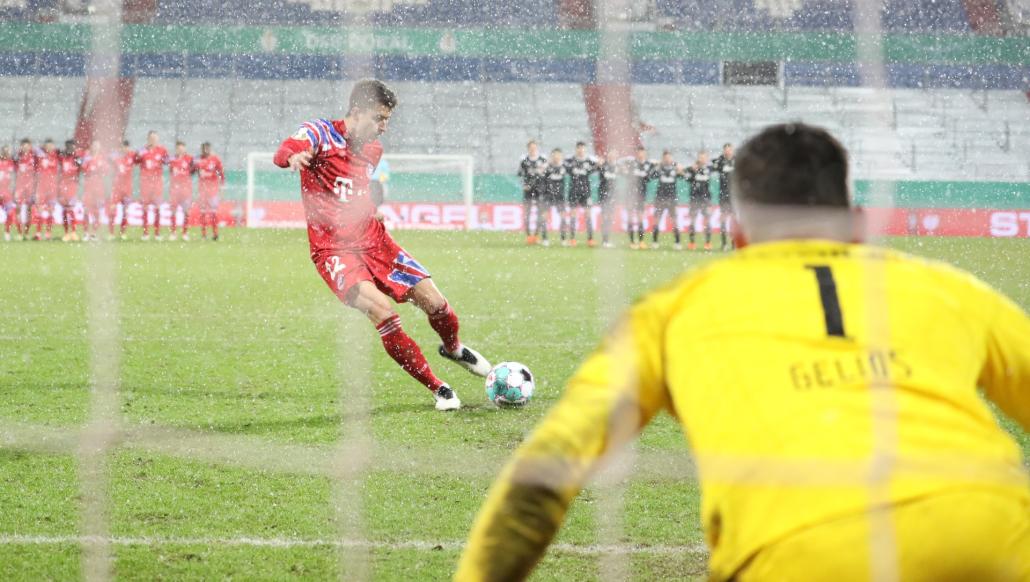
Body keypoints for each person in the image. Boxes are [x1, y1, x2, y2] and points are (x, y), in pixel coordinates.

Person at [456, 123, 1030, 581]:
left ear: (736, 234)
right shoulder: (949, 289)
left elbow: (548, 468)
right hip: (996, 539)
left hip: (803, 556)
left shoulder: (673, 311)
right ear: (857, 227)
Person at [273, 79, 491, 411]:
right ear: (357, 111)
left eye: (387, 120)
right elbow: (285, 150)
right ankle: (439, 388)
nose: (384, 128)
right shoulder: (319, 133)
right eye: (380, 119)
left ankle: (454, 348)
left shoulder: (373, 151)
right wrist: (292, 158)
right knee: (384, 314)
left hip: (375, 241)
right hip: (335, 252)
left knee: (435, 302)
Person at [563, 142, 597, 247]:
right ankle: (572, 239)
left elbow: (598, 167)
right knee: (573, 215)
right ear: (576, 149)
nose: (581, 150)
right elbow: (563, 165)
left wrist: (599, 164)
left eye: (583, 148)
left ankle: (590, 239)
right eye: (579, 148)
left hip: (585, 192)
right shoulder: (570, 161)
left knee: (588, 215)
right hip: (573, 191)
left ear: (585, 150)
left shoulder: (589, 161)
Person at [138, 130, 168, 240]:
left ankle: (157, 233)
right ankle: (145, 233)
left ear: (157, 139)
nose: (153, 140)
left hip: (157, 185)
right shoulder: (142, 151)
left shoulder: (162, 151)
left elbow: (168, 162)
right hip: (145, 185)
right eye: (151, 138)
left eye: (155, 138)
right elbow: (135, 160)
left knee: (157, 208)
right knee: (145, 208)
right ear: (148, 139)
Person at [651, 150, 683, 250]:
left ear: (671, 158)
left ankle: (677, 242)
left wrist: (680, 170)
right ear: (663, 158)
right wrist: (656, 167)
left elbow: (683, 175)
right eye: (665, 158)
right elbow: (652, 176)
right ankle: (655, 242)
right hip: (660, 198)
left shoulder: (675, 167)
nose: (667, 159)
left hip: (672, 198)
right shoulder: (659, 167)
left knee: (675, 222)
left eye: (669, 157)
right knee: (657, 220)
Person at [517, 140, 547, 245]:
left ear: (537, 148)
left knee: (540, 213)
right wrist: (524, 185)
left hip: (539, 190)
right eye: (531, 148)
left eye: (534, 148)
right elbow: (520, 174)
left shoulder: (543, 160)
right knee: (527, 214)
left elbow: (547, 175)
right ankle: (529, 236)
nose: (533, 150)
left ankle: (536, 235)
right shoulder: (524, 161)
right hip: (528, 190)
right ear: (528, 149)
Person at [627, 146, 657, 250]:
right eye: (639, 152)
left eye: (642, 152)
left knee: (640, 219)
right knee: (630, 218)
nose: (640, 154)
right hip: (631, 195)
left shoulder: (649, 165)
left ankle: (641, 241)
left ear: (644, 154)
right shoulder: (631, 164)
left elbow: (653, 176)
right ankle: (631, 242)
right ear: (636, 153)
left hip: (641, 196)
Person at [683, 149, 713, 250]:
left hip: (706, 198)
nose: (702, 159)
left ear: (707, 158)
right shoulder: (692, 169)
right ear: (698, 158)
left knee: (707, 221)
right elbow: (686, 177)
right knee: (692, 220)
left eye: (704, 157)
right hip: (694, 198)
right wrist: (691, 171)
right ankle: (692, 243)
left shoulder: (709, 168)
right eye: (701, 157)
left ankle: (707, 243)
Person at [194, 142, 224, 241]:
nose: (206, 150)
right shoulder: (198, 160)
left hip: (213, 190)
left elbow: (221, 174)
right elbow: (192, 171)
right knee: (203, 213)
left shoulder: (215, 160)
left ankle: (215, 234)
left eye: (207, 148)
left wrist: (221, 188)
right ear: (202, 150)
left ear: (210, 149)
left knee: (213, 213)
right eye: (204, 149)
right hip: (202, 191)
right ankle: (204, 235)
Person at [80, 141, 109, 242]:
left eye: (97, 146)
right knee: (86, 210)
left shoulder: (102, 159)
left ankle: (94, 233)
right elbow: (83, 170)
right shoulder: (87, 158)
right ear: (91, 147)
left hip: (98, 188)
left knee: (97, 211)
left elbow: (106, 171)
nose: (95, 147)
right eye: (94, 145)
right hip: (88, 187)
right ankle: (86, 232)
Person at [539, 148, 567, 247]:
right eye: (555, 155)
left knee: (563, 217)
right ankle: (545, 238)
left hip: (560, 196)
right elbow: (540, 177)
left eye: (558, 155)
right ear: (552, 156)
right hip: (548, 195)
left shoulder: (564, 167)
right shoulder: (547, 167)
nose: (556, 157)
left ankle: (563, 239)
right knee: (544, 217)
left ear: (561, 157)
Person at [109, 140, 137, 241]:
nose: (124, 149)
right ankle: (111, 233)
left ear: (128, 148)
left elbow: (139, 157)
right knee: (112, 211)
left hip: (127, 189)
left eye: (126, 147)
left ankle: (122, 233)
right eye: (122, 147)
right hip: (116, 188)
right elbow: (108, 158)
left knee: (125, 212)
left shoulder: (132, 156)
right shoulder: (115, 157)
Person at [711, 142, 736, 251]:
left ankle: (734, 244)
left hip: (734, 195)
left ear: (732, 150)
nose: (727, 151)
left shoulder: (737, 160)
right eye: (726, 150)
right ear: (723, 151)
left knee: (734, 220)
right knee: (723, 219)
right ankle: (724, 244)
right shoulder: (720, 161)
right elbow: (712, 167)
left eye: (729, 149)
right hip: (723, 194)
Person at [33, 138, 59, 240]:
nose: (49, 147)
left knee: (51, 211)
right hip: (41, 188)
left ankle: (48, 233)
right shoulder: (40, 156)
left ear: (53, 146)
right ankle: (38, 233)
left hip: (52, 188)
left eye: (51, 145)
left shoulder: (57, 156)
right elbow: (32, 150)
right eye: (47, 145)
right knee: (39, 211)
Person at [167, 141, 193, 241]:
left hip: (185, 190)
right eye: (179, 148)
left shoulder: (189, 159)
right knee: (173, 211)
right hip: (175, 190)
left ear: (185, 149)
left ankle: (184, 233)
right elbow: (171, 172)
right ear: (176, 149)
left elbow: (193, 170)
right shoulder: (172, 160)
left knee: (186, 212)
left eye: (183, 148)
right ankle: (173, 233)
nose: (181, 150)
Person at [57, 140, 81, 242]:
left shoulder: (77, 159)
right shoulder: (62, 158)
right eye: (69, 147)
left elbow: (81, 170)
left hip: (72, 188)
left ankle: (73, 232)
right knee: (64, 211)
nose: (71, 149)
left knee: (70, 210)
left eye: (73, 147)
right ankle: (67, 233)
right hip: (63, 188)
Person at [13, 139, 37, 241]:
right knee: (18, 209)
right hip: (19, 187)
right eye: (24, 146)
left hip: (30, 187)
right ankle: (19, 233)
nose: (26, 148)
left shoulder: (34, 157)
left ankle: (26, 233)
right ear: (21, 146)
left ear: (30, 146)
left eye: (28, 146)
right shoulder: (18, 157)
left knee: (29, 210)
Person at [596, 151, 618, 249]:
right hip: (604, 196)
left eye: (614, 155)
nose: (612, 157)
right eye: (610, 155)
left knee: (609, 218)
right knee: (605, 217)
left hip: (613, 196)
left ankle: (606, 240)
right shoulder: (603, 165)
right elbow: (595, 168)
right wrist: (598, 165)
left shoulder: (617, 167)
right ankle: (605, 240)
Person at [0, 146, 15, 241]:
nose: (7, 153)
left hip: (7, 193)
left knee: (10, 213)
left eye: (8, 151)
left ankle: (7, 233)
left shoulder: (12, 163)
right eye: (5, 151)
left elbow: (13, 179)